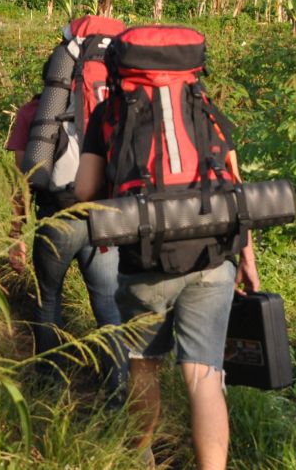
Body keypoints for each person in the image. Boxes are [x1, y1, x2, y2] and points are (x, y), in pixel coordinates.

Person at [75, 76, 260, 470]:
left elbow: (83, 190)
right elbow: (235, 187)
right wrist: (248, 258)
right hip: (211, 258)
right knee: (205, 377)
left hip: (144, 262)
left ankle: (143, 460)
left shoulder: (109, 113)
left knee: (143, 367)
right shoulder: (202, 105)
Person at [6, 15, 126, 396]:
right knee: (107, 306)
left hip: (56, 218)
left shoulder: (34, 115)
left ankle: (50, 384)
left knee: (48, 301)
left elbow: (21, 183)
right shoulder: (110, 110)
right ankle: (119, 389)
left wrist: (16, 237)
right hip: (102, 220)